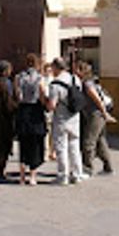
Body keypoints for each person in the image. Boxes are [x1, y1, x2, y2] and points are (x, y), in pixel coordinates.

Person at [46, 57, 86, 185]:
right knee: (74, 145)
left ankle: (63, 175)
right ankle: (77, 174)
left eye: (52, 67)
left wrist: (45, 103)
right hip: (75, 117)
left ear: (57, 68)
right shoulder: (75, 79)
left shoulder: (55, 84)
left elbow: (52, 105)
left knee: (61, 147)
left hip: (61, 119)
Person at [77, 61, 117, 176]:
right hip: (97, 114)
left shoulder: (87, 84)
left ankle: (87, 168)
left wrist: (105, 113)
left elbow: (97, 100)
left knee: (88, 142)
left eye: (77, 69)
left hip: (95, 115)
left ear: (81, 71)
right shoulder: (91, 82)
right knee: (100, 141)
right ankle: (108, 167)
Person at [15, 53, 47, 185]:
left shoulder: (18, 77)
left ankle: (22, 176)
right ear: (37, 64)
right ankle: (32, 176)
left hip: (22, 111)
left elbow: (17, 95)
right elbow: (42, 94)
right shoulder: (40, 78)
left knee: (23, 143)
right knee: (34, 144)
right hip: (35, 112)